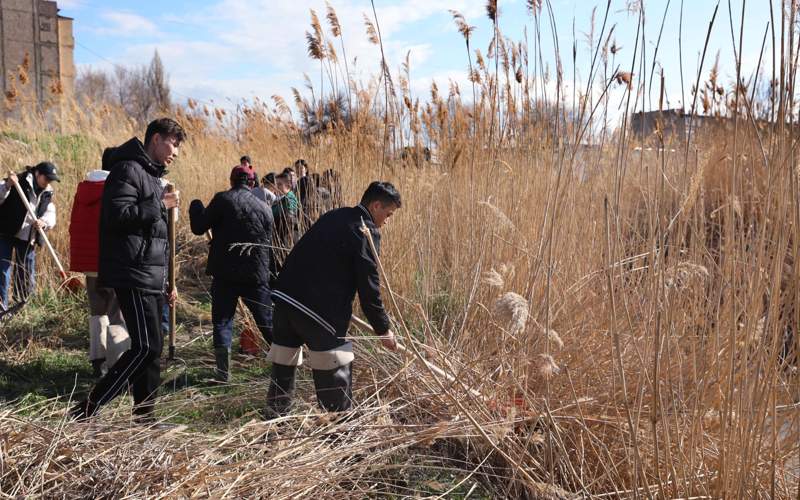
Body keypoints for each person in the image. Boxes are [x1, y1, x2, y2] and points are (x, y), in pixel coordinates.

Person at [71, 118, 185, 422]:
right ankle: (89, 407)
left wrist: (165, 282)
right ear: (157, 139)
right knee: (147, 346)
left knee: (152, 349)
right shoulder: (127, 169)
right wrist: (160, 205)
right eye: (174, 144)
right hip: (131, 271)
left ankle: (144, 416)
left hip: (148, 274)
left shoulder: (150, 174)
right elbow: (117, 216)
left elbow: (156, 236)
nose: (176, 152)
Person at [266, 181, 401, 416]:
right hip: (319, 312)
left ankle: (274, 422)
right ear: (376, 205)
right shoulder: (365, 230)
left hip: (285, 300)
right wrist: (383, 329)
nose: (387, 221)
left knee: (283, 363)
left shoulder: (334, 215)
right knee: (334, 365)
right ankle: (338, 433)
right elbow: (369, 288)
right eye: (388, 214)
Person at [189, 165, 275, 382]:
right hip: (256, 275)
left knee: (223, 321)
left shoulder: (223, 200)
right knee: (266, 321)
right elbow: (268, 242)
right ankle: (286, 366)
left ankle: (223, 373)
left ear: (232, 180)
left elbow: (199, 227)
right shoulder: (265, 208)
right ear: (253, 183)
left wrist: (195, 206)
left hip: (225, 274)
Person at [69, 149, 130, 378]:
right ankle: (118, 364)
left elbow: (75, 224)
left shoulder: (83, 188)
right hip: (112, 259)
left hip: (89, 261)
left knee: (97, 309)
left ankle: (98, 358)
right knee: (117, 310)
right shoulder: (116, 189)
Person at [0, 162, 59, 309]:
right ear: (37, 174)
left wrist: (44, 222)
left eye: (51, 180)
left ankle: (21, 308)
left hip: (27, 238)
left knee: (26, 274)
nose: (48, 182)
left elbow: (50, 212)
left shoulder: (47, 192)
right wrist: (7, 185)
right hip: (5, 232)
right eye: (47, 178)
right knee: (2, 272)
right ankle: (2, 307)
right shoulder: (17, 180)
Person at [271, 172, 300, 267]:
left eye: (279, 184)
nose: (276, 187)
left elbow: (290, 220)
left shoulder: (290, 199)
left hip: (285, 241)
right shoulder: (281, 198)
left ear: (288, 185)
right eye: (276, 184)